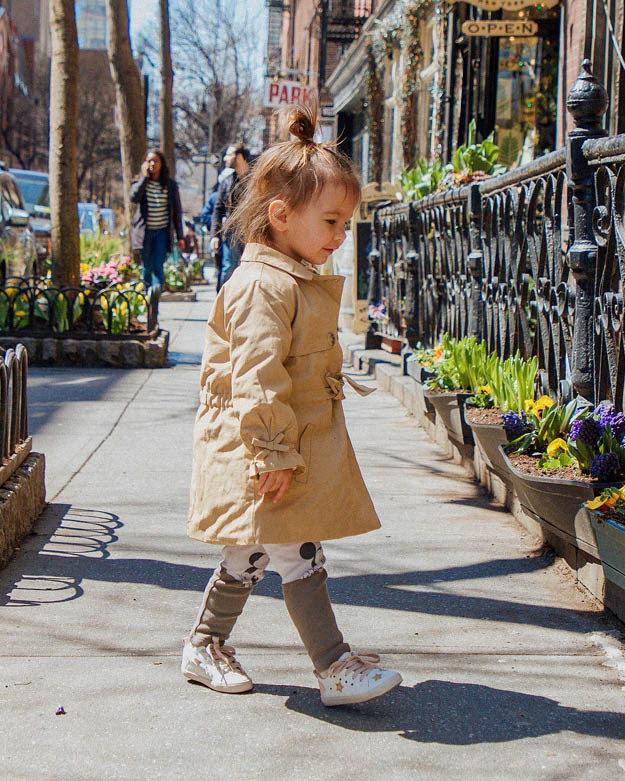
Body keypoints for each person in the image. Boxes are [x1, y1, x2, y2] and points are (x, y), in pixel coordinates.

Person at [183, 103, 402, 707]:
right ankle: (333, 666)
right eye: (331, 221)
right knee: (296, 550)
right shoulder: (262, 285)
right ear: (279, 216)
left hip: (284, 445)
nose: (340, 235)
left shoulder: (291, 277)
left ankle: (204, 644)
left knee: (250, 550)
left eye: (345, 223)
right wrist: (273, 452)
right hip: (267, 449)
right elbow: (256, 377)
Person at [129, 150, 185, 289]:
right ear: (145, 164)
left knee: (158, 266)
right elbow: (133, 198)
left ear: (161, 163)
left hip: (162, 232)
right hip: (145, 233)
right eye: (149, 161)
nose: (152, 164)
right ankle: (148, 299)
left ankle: (155, 302)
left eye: (156, 160)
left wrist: (180, 236)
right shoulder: (140, 182)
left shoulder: (170, 185)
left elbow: (177, 212)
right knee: (147, 267)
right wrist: (144, 178)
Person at [210, 143, 249, 291]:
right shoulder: (226, 182)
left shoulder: (254, 181)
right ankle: (223, 306)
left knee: (245, 269)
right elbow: (218, 210)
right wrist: (214, 235)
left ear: (239, 157)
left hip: (249, 233)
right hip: (231, 234)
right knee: (228, 268)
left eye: (229, 155)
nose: (225, 158)